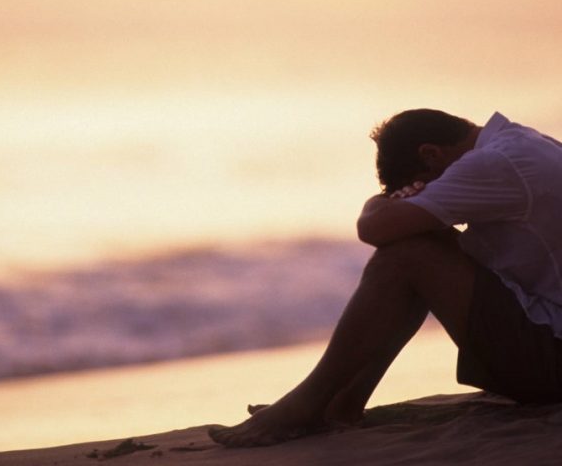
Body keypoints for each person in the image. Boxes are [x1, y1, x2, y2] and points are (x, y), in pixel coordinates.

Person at [209, 109, 562, 448]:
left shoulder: (494, 164)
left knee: (407, 253)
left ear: (430, 155)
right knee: (422, 239)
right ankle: (341, 403)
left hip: (552, 363)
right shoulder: (525, 145)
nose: (423, 194)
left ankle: (309, 402)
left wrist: (379, 203)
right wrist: (405, 204)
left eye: (418, 187)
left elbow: (375, 228)